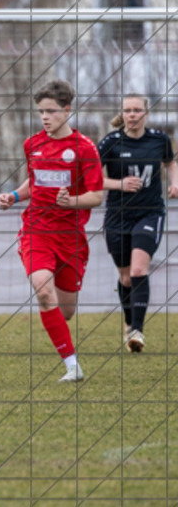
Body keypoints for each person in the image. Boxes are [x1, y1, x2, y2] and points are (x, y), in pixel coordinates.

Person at [0, 80, 103, 382]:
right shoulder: (32, 144)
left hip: (70, 237)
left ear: (67, 110)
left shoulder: (84, 148)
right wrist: (14, 196)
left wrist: (72, 202)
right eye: (41, 111)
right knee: (44, 291)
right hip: (36, 231)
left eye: (51, 111)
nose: (45, 117)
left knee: (66, 311)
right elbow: (34, 181)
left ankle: (66, 344)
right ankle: (72, 366)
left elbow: (96, 195)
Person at [97, 94, 178, 353]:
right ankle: (130, 321)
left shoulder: (159, 140)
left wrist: (175, 182)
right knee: (125, 277)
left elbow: (170, 162)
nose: (132, 114)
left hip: (150, 213)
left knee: (139, 270)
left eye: (137, 110)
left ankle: (137, 332)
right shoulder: (110, 143)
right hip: (117, 216)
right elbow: (93, 180)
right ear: (123, 114)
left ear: (146, 113)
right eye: (128, 110)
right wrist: (119, 184)